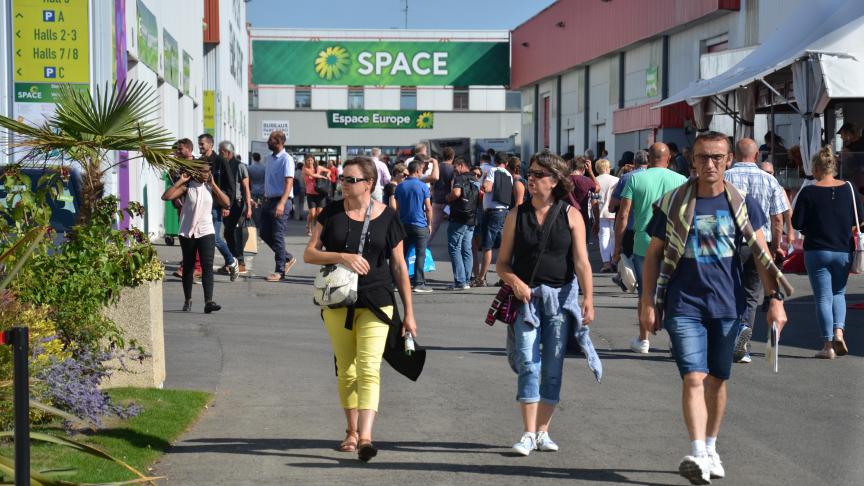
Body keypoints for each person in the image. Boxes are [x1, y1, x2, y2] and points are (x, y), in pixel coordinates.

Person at [640, 131, 790, 484]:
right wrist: (647, 302)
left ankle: (711, 447)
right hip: (683, 304)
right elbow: (652, 255)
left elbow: (760, 254)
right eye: (703, 157)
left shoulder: (741, 203)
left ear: (728, 161)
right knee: (694, 377)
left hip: (727, 305)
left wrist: (776, 302)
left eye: (717, 158)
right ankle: (696, 451)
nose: (710, 164)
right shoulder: (674, 201)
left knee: (718, 381)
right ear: (691, 160)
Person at [303, 156, 418, 462]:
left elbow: (399, 266)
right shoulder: (330, 214)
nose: (343, 183)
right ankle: (351, 431)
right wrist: (341, 256)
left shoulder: (389, 218)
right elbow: (310, 254)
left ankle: (366, 437)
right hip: (339, 300)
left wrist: (409, 312)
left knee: (369, 369)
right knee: (347, 368)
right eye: (343, 178)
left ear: (369, 184)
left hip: (378, 300)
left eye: (350, 179)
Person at [496, 150, 594, 456]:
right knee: (528, 362)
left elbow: (581, 262)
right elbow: (501, 264)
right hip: (527, 301)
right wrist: (516, 282)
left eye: (538, 175)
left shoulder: (571, 215)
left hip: (561, 301)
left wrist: (589, 298)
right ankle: (527, 433)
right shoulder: (516, 215)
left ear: (555, 180)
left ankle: (542, 432)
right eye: (530, 173)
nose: (531, 179)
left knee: (552, 367)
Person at [614, 143, 687, 354]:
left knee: (645, 293)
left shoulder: (635, 179)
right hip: (674, 244)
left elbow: (624, 214)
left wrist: (617, 247)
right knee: (674, 293)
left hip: (643, 242)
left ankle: (643, 339)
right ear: (668, 158)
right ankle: (675, 342)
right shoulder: (681, 180)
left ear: (649, 158)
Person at [792, 146, 862, 359]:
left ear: (815, 167)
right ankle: (839, 331)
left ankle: (828, 345)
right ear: (834, 166)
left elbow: (797, 222)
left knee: (823, 297)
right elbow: (859, 218)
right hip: (843, 249)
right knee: (838, 293)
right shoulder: (850, 189)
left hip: (817, 250)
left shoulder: (809, 192)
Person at [724, 138, 790, 363]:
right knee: (752, 295)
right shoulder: (769, 180)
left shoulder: (724, 177)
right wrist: (775, 246)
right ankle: (744, 341)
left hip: (729, 243)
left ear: (733, 154)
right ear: (756, 156)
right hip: (759, 244)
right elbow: (778, 218)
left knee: (728, 291)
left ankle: (727, 337)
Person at [162, 155, 231, 313]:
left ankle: (209, 301)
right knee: (188, 266)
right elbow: (166, 196)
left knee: (207, 266)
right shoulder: (187, 187)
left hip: (206, 230)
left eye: (208, 171)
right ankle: (188, 299)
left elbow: (226, 202)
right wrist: (181, 181)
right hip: (188, 231)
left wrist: (213, 184)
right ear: (195, 171)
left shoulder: (210, 187)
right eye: (203, 171)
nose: (206, 174)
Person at [199, 133, 239, 279]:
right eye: (199, 144)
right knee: (201, 238)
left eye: (202, 144)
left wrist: (227, 206)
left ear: (211, 144)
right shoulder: (199, 161)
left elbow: (230, 185)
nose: (200, 147)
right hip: (201, 207)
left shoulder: (220, 161)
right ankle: (201, 270)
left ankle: (231, 261)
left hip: (216, 207)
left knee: (214, 238)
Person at [260, 130, 297, 282]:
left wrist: (282, 203)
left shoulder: (287, 159)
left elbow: (289, 182)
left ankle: (279, 270)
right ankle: (287, 257)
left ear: (280, 142)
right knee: (264, 233)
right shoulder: (268, 158)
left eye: (271, 140)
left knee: (277, 235)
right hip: (268, 200)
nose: (268, 142)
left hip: (282, 201)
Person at [394, 157, 433, 293]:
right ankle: (419, 282)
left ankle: (398, 281)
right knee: (420, 254)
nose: (422, 172)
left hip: (403, 224)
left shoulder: (400, 186)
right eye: (421, 170)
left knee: (402, 254)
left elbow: (397, 208)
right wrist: (429, 224)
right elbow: (428, 208)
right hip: (419, 224)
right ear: (417, 171)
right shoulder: (423, 186)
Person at [474, 153, 513, 287]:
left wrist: (483, 181)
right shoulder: (509, 175)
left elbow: (488, 188)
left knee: (487, 246)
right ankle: (504, 277)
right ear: (506, 163)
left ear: (495, 161)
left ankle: (481, 278)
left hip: (492, 212)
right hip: (504, 211)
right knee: (502, 246)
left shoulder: (492, 170)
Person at [446, 158, 480, 290]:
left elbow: (456, 193)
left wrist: (448, 198)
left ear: (461, 165)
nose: (454, 169)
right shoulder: (475, 179)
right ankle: (466, 280)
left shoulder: (460, 178)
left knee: (454, 248)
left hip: (459, 218)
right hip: (472, 218)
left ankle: (460, 281)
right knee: (467, 249)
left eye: (455, 166)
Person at [219, 141, 252, 277]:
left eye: (221, 152)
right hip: (226, 204)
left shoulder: (240, 166)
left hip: (238, 205)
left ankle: (240, 261)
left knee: (236, 234)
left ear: (228, 152)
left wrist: (249, 207)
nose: (220, 154)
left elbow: (246, 188)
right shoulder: (222, 165)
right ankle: (232, 261)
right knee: (228, 233)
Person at [593, 159, 619, 272]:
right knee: (614, 237)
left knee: (603, 237)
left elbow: (593, 200)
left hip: (600, 212)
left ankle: (606, 262)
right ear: (608, 168)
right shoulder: (616, 180)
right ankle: (614, 260)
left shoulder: (595, 181)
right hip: (613, 212)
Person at [568, 156, 600, 238]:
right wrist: (591, 172)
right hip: (582, 218)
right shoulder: (586, 180)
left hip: (565, 218)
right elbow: (598, 188)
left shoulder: (563, 180)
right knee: (582, 246)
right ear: (583, 169)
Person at [430, 147, 455, 240]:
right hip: (449, 202)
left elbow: (432, 184)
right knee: (455, 225)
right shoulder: (453, 169)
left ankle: (423, 246)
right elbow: (453, 186)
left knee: (433, 226)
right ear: (453, 156)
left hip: (437, 200)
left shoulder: (437, 167)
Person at [303, 155, 332, 236]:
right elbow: (313, 175)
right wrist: (323, 176)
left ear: (314, 160)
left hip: (320, 193)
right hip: (310, 194)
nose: (310, 162)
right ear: (305, 161)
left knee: (319, 213)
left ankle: (318, 229)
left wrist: (328, 175)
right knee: (312, 213)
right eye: (308, 160)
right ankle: (309, 226)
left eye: (311, 160)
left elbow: (329, 170)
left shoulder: (318, 167)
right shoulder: (305, 169)